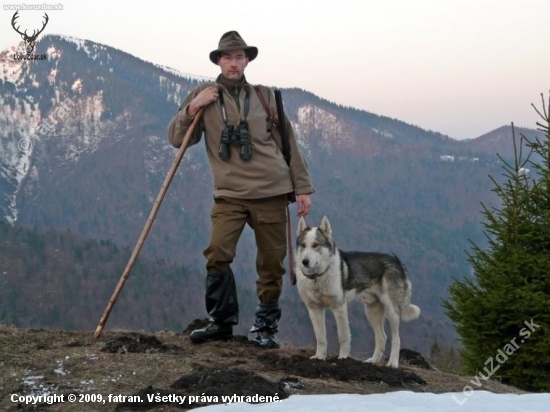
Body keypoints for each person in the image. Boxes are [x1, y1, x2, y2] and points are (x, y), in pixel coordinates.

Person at [168, 31, 314, 349]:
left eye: (239, 57)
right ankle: (221, 322)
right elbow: (178, 139)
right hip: (229, 193)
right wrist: (193, 107)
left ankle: (265, 327)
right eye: (227, 57)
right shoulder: (204, 95)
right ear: (218, 61)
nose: (233, 63)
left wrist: (302, 188)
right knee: (217, 254)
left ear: (247, 60)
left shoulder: (266, 98)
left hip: (272, 190)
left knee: (272, 262)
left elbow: (289, 145)